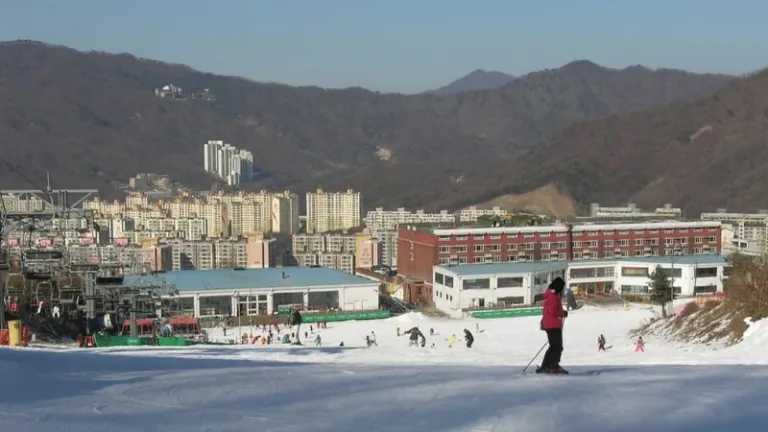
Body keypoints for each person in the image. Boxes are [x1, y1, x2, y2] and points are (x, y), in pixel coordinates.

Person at [537, 277, 569, 374]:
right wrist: (562, 313)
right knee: (556, 347)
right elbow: (553, 310)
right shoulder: (552, 296)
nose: (563, 290)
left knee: (556, 346)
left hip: (553, 324)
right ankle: (550, 365)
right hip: (552, 324)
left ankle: (549, 365)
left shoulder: (553, 295)